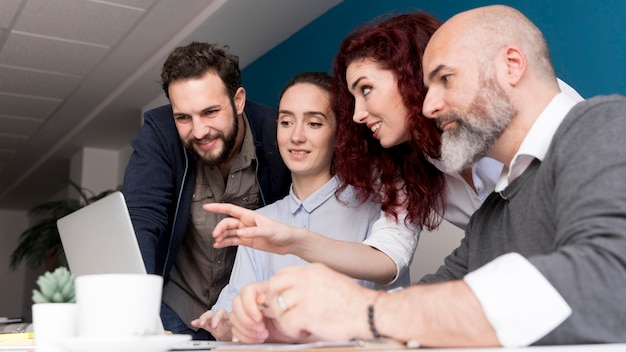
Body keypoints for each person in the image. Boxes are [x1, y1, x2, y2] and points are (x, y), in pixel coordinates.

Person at [217, 5, 626, 347]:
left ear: (511, 65)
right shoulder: (489, 220)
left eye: (445, 79)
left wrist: (363, 310)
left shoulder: (600, 125)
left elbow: (605, 281)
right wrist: (311, 324)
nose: (429, 105)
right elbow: (428, 295)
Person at [191, 72, 403, 341]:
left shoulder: (377, 215)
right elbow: (235, 314)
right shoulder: (260, 222)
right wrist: (226, 326)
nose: (296, 136)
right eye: (286, 122)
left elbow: (391, 319)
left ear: (340, 134)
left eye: (314, 123)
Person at [121, 42, 290, 339]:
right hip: (176, 310)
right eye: (183, 117)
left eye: (210, 112)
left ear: (238, 101)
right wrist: (138, 314)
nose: (198, 131)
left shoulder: (276, 133)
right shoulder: (160, 133)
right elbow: (140, 220)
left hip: (246, 316)